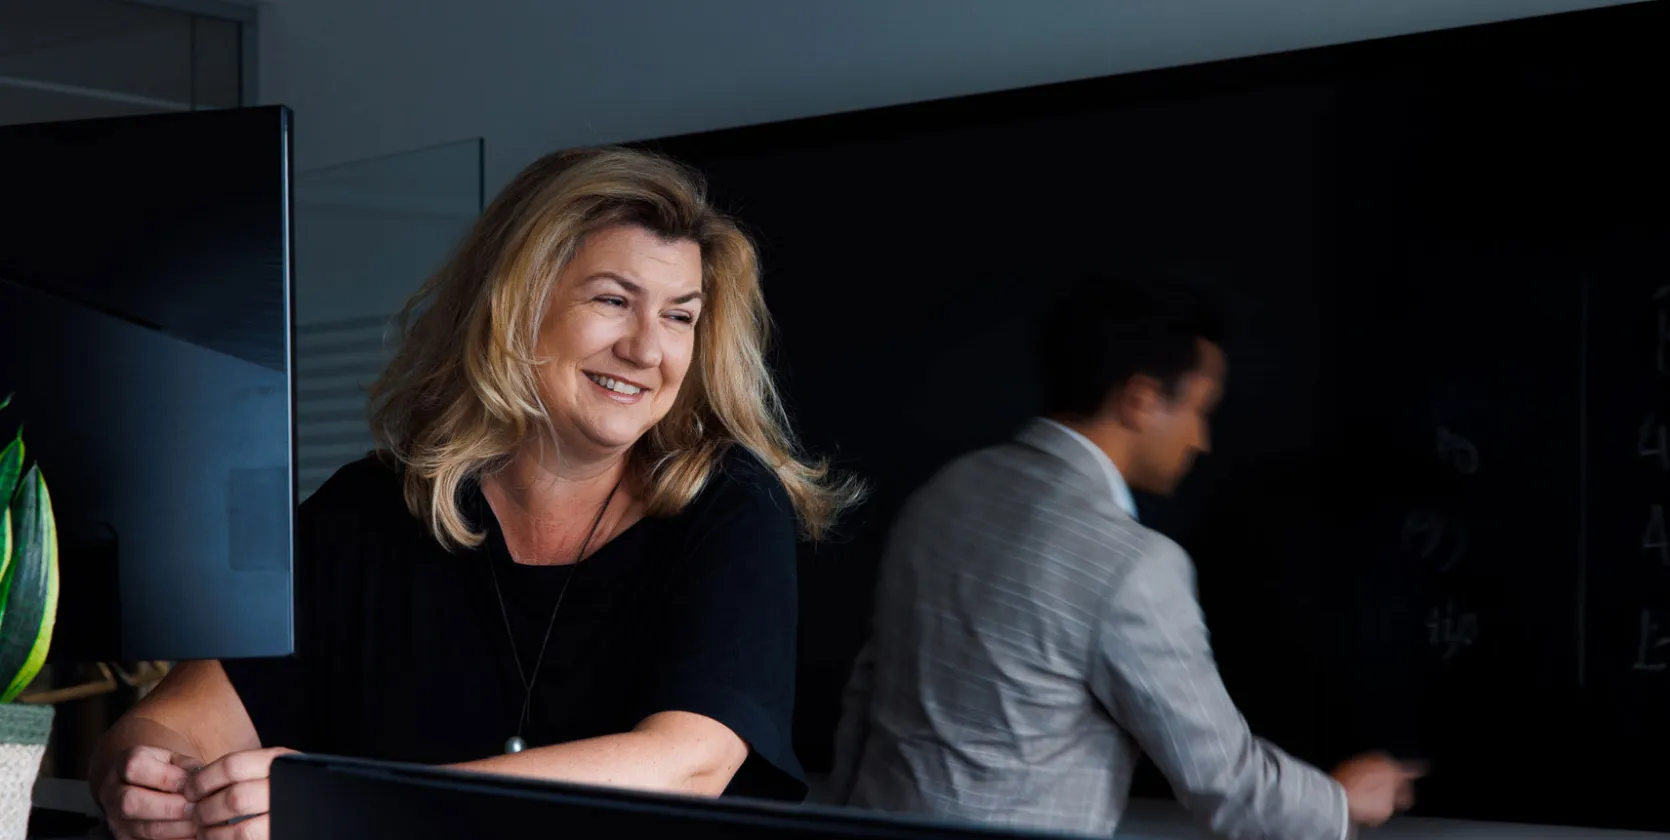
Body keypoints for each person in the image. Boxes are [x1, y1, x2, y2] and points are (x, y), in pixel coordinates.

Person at [88, 146, 859, 840]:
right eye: (613, 301)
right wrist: (142, 775)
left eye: (679, 316)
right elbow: (173, 723)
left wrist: (342, 807)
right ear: (514, 305)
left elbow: (688, 765)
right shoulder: (369, 510)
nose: (648, 348)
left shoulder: (726, 505)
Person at [826, 272, 1422, 839]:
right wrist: (1340, 802)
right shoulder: (1131, 562)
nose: (1201, 439)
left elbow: (867, 695)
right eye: (1198, 409)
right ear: (1139, 400)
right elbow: (1227, 784)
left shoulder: (944, 493)